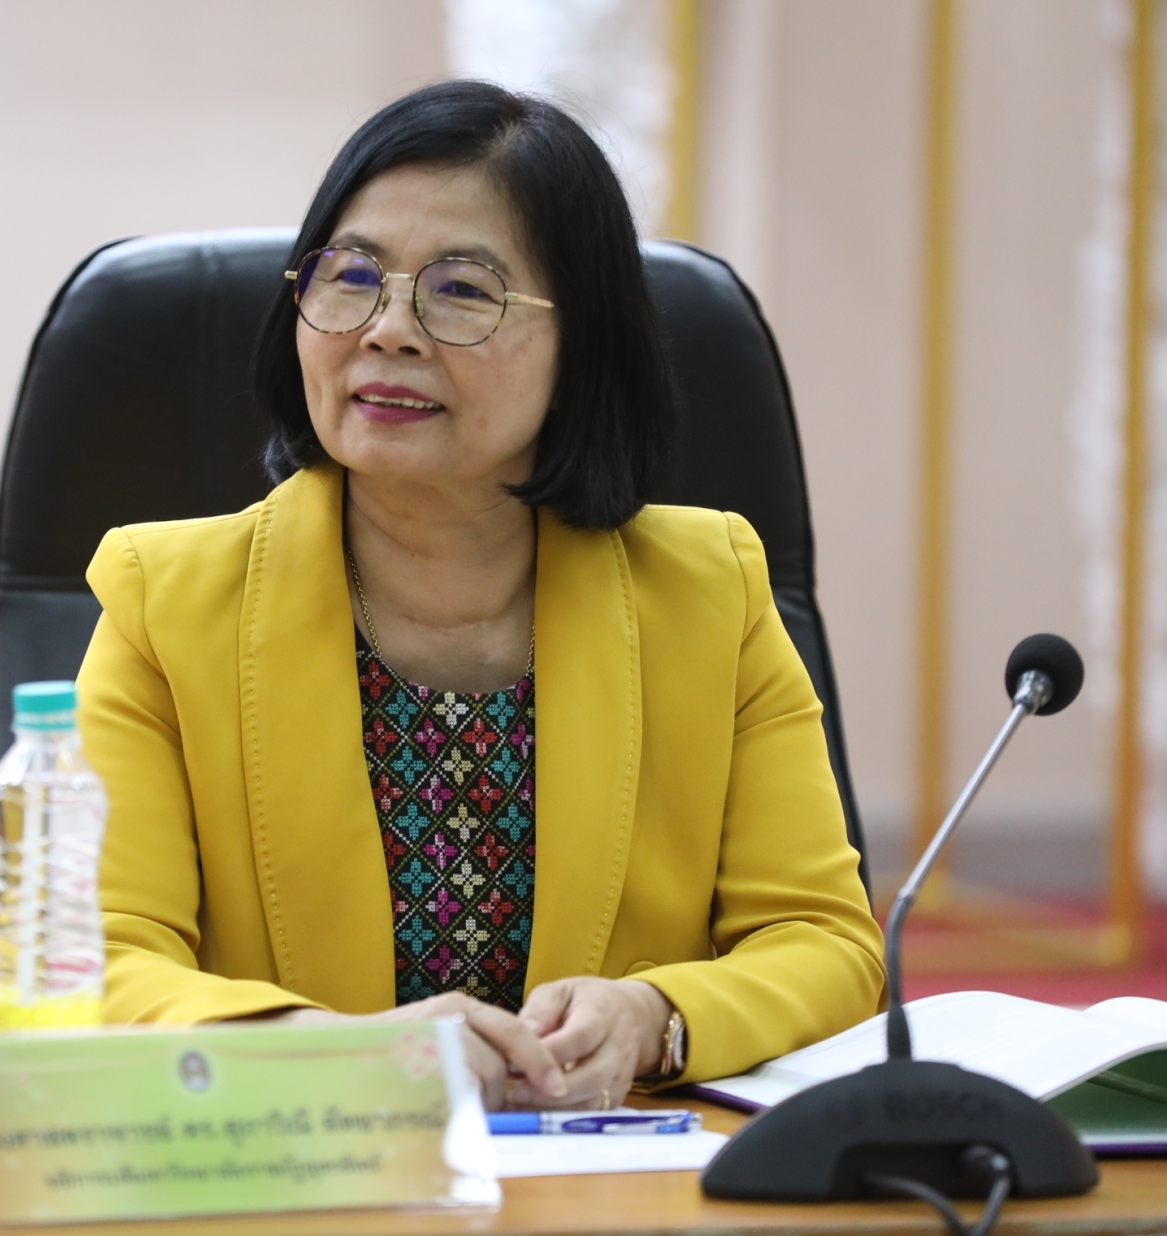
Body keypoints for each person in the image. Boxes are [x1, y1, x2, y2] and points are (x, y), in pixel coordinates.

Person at [74, 80, 883, 1112]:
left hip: (615, 1181)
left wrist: (656, 1016)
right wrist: (349, 1053)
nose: (388, 331)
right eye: (349, 277)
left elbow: (822, 941)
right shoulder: (165, 605)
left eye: (461, 291)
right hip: (307, 1172)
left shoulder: (709, 594)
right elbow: (94, 964)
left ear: (582, 344)